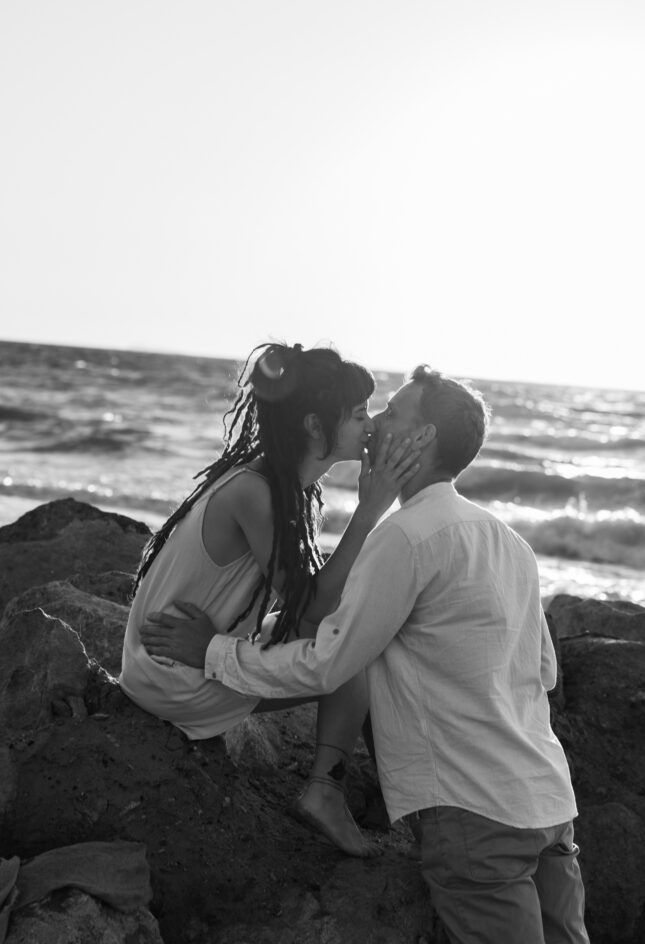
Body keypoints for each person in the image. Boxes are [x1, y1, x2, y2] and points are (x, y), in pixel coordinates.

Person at [140, 364, 590, 944]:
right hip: (548, 802)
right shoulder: (510, 543)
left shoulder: (404, 538)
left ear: (422, 438)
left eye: (394, 412)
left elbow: (331, 660)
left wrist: (215, 652)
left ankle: (325, 785)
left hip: (474, 813)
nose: (376, 421)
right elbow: (542, 672)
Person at [120, 342, 420, 858]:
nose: (369, 426)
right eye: (356, 415)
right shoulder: (257, 493)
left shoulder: (278, 484)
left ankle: (393, 797)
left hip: (171, 659)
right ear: (314, 425)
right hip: (176, 673)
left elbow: (300, 604)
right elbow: (313, 612)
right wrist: (369, 511)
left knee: (355, 634)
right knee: (354, 654)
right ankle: (329, 793)